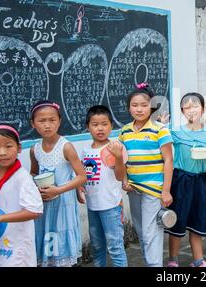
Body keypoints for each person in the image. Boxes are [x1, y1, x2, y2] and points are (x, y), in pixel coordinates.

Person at [115, 82, 173, 267]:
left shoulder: (160, 129)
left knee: (151, 234)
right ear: (128, 107)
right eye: (134, 105)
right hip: (133, 189)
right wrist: (124, 181)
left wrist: (166, 191)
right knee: (141, 232)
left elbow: (168, 161)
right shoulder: (124, 131)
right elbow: (121, 159)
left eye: (144, 105)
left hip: (153, 189)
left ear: (152, 106)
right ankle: (151, 263)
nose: (139, 109)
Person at [30, 100, 87, 267]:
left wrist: (58, 190)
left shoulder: (66, 147)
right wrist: (36, 185)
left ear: (59, 121)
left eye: (52, 120)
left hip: (64, 203)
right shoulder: (35, 149)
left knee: (62, 240)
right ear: (33, 124)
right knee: (48, 239)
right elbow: (34, 172)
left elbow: (82, 176)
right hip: (45, 204)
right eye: (42, 121)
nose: (47, 125)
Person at [164, 93, 206, 268]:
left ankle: (198, 260)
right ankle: (173, 259)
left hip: (200, 180)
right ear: (182, 111)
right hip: (181, 180)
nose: (191, 110)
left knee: (198, 219)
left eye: (195, 106)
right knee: (177, 220)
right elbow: (161, 141)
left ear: (203, 109)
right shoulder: (175, 131)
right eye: (187, 107)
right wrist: (162, 125)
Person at [0, 124, 43, 266]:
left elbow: (35, 211)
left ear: (19, 148)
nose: (2, 152)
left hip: (17, 245)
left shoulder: (21, 178)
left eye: (8, 146)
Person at [81, 105, 127, 267]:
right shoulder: (85, 150)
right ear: (88, 127)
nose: (100, 128)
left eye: (104, 124)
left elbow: (120, 176)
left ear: (111, 126)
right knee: (97, 246)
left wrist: (118, 157)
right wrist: (79, 189)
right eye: (95, 124)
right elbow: (83, 176)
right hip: (92, 206)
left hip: (111, 206)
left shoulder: (115, 148)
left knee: (115, 247)